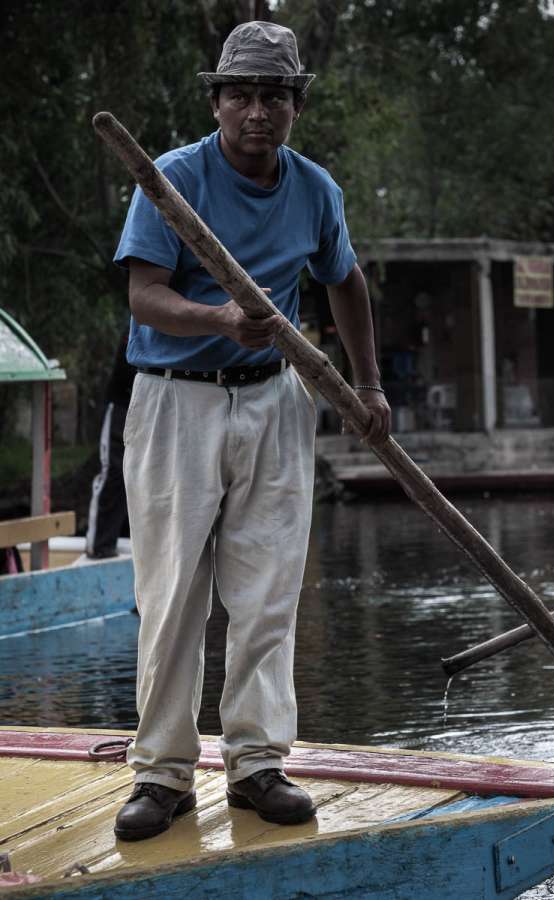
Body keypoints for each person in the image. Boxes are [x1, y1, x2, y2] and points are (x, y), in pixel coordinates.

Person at [112, 20, 391, 842]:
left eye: (274, 96)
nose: (257, 112)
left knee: (267, 591)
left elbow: (346, 281)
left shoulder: (314, 191)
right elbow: (144, 295)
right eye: (241, 95)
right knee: (170, 597)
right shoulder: (171, 179)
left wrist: (365, 384)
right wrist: (218, 316)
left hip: (274, 398)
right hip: (176, 400)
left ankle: (257, 764)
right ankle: (162, 774)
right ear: (217, 102)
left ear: (295, 105)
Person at [85, 329, 135, 559]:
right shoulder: (136, 323)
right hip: (122, 405)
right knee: (114, 472)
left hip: (159, 403)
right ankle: (100, 545)